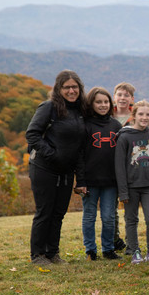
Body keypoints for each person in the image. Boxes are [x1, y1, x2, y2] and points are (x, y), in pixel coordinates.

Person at [26, 70, 86, 266]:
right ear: (58, 89)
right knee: (45, 211)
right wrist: (52, 154)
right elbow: (32, 134)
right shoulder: (48, 107)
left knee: (59, 213)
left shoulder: (80, 111)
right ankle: (37, 255)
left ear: (80, 88)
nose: (71, 91)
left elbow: (80, 146)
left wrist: (79, 174)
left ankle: (52, 253)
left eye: (74, 87)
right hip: (44, 168)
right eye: (67, 87)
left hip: (66, 171)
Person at [74, 87, 122, 261]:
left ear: (110, 104)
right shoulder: (85, 125)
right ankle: (90, 250)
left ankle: (108, 249)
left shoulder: (116, 125)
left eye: (106, 102)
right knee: (89, 216)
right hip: (89, 181)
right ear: (91, 103)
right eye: (98, 102)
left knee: (109, 217)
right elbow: (79, 155)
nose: (103, 105)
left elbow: (121, 154)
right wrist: (80, 181)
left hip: (111, 181)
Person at [115, 100, 149, 263]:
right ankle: (135, 250)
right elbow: (119, 166)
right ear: (134, 115)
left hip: (148, 186)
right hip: (130, 187)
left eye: (148, 114)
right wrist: (122, 191)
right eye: (141, 114)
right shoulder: (124, 137)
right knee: (131, 219)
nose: (144, 117)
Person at [111, 81, 136, 251]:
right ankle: (114, 238)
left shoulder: (136, 117)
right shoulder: (106, 115)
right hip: (108, 165)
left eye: (126, 95)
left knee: (129, 205)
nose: (122, 98)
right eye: (119, 94)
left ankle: (130, 240)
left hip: (130, 167)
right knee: (110, 206)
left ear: (132, 98)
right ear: (114, 97)